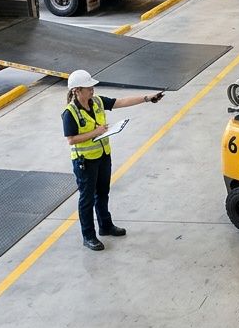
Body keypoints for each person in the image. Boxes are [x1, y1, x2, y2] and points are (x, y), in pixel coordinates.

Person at [62, 69, 164, 251]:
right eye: (88, 88)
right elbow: (71, 139)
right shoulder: (70, 113)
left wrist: (147, 98)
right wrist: (96, 132)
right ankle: (88, 236)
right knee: (87, 199)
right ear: (77, 90)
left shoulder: (97, 102)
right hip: (85, 161)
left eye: (92, 87)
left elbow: (121, 102)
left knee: (102, 193)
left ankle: (105, 226)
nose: (92, 90)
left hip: (103, 155)